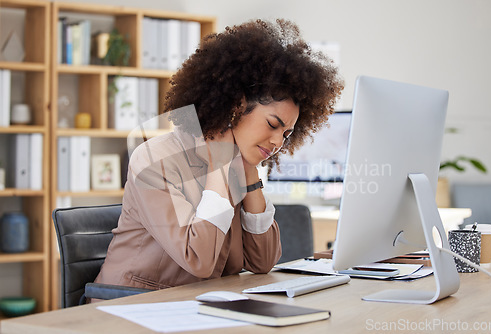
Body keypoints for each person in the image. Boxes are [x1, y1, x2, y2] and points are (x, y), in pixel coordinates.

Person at [93, 19, 343, 292]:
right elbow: (197, 260)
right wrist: (218, 171)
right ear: (236, 106)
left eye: (286, 134)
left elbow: (263, 261)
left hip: (196, 304)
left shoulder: (240, 164)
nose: (277, 142)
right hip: (131, 303)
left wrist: (251, 177)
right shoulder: (155, 159)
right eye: (273, 124)